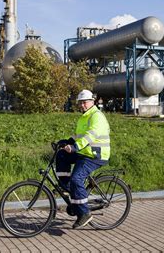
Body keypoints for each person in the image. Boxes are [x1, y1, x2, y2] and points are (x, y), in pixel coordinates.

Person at [56, 89, 111, 229]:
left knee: (76, 179)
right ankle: (67, 187)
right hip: (84, 152)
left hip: (95, 154)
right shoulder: (84, 117)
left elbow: (90, 136)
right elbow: (79, 136)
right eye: (80, 103)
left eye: (84, 102)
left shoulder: (96, 116)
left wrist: (75, 147)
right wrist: (66, 142)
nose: (82, 105)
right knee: (61, 155)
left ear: (92, 102)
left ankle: (84, 213)